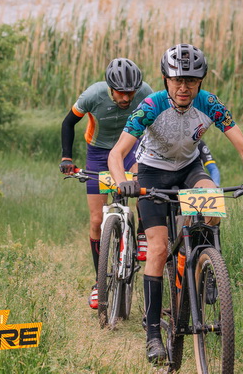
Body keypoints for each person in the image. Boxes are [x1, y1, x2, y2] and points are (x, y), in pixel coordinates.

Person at [107, 43, 243, 363]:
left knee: (211, 200)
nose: (184, 87)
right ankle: (153, 334)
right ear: (166, 80)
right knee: (158, 249)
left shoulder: (209, 104)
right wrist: (122, 182)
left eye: (192, 81)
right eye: (177, 80)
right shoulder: (151, 105)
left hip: (188, 169)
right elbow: (117, 154)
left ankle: (207, 267)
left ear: (201, 82)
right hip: (152, 173)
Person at [60, 58, 153, 310]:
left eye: (131, 92)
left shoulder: (145, 92)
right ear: (110, 88)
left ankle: (142, 231)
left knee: (145, 182)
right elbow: (68, 123)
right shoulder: (93, 95)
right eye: (121, 93)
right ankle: (99, 282)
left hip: (131, 148)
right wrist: (67, 157)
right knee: (96, 221)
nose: (127, 98)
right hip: (99, 153)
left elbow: (157, 121)